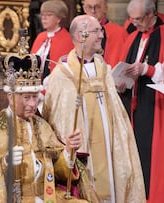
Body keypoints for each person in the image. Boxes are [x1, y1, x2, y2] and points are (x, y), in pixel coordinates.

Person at [0, 51, 100, 202]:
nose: (32, 104)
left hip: (50, 196)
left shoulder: (42, 126)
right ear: (11, 97)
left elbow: (58, 171)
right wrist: (4, 164)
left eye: (35, 97)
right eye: (26, 97)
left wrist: (68, 151)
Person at [42, 14, 145, 203]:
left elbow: (117, 116)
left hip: (110, 153)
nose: (101, 35)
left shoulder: (103, 68)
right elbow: (56, 119)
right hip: (84, 159)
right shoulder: (63, 74)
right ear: (81, 35)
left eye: (101, 30)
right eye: (96, 31)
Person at [119, 0, 164, 202]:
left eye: (138, 19)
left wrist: (148, 70)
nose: (134, 23)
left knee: (152, 159)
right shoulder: (131, 38)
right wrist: (120, 83)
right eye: (132, 19)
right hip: (133, 107)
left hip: (156, 107)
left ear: (151, 14)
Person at [30, 0, 73, 81]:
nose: (44, 18)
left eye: (49, 15)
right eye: (42, 15)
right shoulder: (40, 37)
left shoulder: (67, 39)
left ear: (58, 19)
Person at [82, 0, 128, 68]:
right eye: (89, 7)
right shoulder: (78, 29)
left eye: (97, 7)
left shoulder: (119, 32)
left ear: (105, 8)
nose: (93, 11)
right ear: (84, 9)